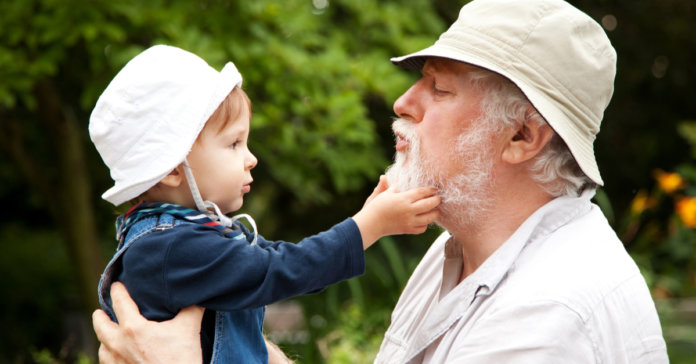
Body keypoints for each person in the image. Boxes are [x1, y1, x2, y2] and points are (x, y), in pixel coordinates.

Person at [92, 0, 670, 362]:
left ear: (522, 136)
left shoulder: (549, 319)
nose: (403, 101)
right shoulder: (456, 254)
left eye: (439, 89)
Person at [89, 45, 440, 364]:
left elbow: (289, 261)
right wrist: (369, 226)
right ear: (173, 169)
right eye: (233, 144)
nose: (251, 158)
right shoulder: (172, 248)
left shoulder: (194, 235)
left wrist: (365, 219)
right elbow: (282, 269)